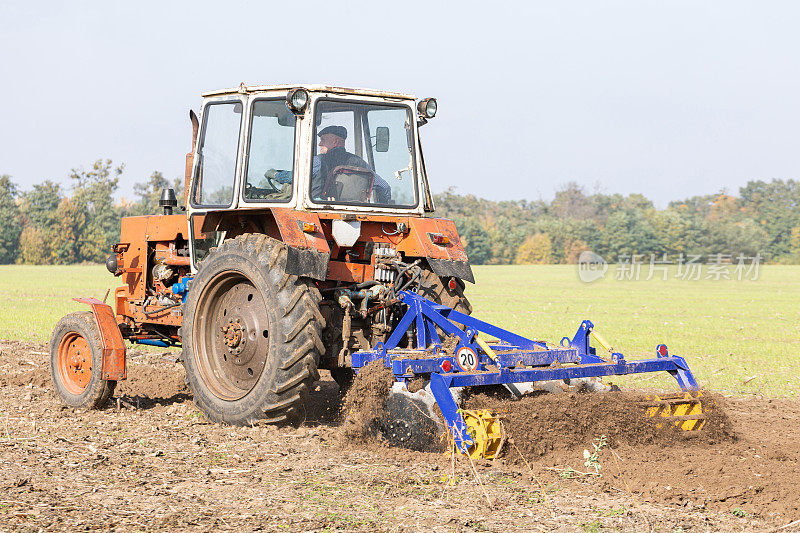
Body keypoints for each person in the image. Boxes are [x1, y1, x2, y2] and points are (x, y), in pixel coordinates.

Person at [265, 125, 392, 203]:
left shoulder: (318, 161)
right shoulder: (361, 164)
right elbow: (384, 187)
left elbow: (294, 177)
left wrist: (275, 175)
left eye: (323, 140)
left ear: (336, 141)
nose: (320, 144)